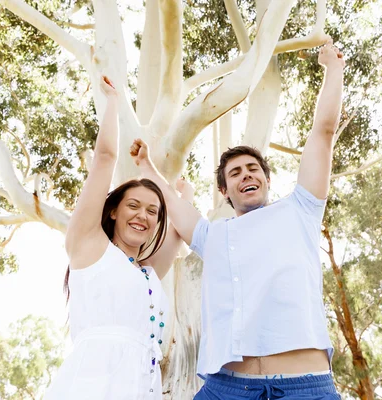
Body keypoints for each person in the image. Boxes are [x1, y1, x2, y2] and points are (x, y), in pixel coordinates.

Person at [130, 41, 345, 399]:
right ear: (224, 191)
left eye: (253, 169)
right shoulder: (213, 235)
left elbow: (323, 135)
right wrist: (145, 166)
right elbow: (171, 201)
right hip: (227, 389)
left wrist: (333, 69)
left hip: (304, 387)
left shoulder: (301, 210)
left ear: (266, 178)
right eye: (235, 173)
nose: (246, 175)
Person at [44, 76, 193, 400]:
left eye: (153, 212)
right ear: (113, 211)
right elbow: (105, 159)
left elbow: (181, 230)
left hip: (143, 387)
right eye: (134, 206)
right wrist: (113, 100)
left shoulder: (148, 272)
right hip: (92, 385)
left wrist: (185, 193)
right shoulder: (89, 247)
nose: (143, 215)